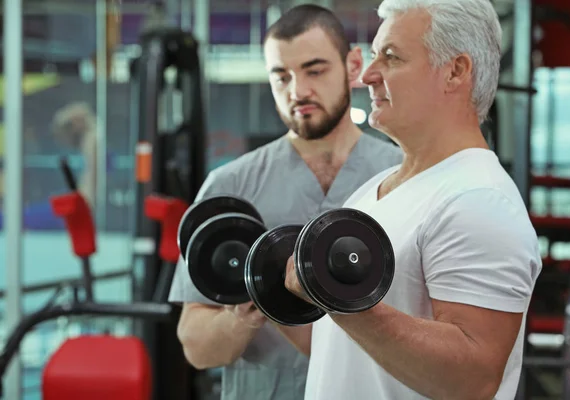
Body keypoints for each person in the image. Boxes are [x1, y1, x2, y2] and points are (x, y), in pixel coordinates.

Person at [281, 1, 543, 399]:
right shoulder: (377, 189)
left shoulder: (479, 200)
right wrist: (275, 294)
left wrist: (334, 297)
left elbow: (472, 380)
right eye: (373, 56)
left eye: (391, 57)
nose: (368, 75)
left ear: (455, 71)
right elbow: (350, 349)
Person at [168, 4, 403, 400]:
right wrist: (253, 306)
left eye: (315, 70)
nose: (298, 91)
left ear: (353, 65)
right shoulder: (231, 185)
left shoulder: (401, 175)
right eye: (281, 77)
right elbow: (196, 348)